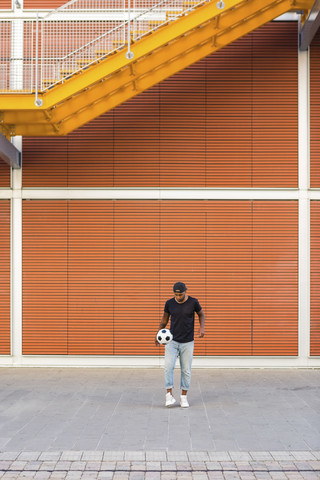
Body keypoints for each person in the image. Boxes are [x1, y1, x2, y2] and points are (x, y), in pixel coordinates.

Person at [155, 281, 205, 408]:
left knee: (186, 370)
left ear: (185, 292)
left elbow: (201, 314)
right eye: (176, 295)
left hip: (188, 342)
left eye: (181, 294)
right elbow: (164, 320)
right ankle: (169, 396)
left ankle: (183, 397)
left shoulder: (193, 302)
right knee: (168, 367)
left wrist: (201, 328)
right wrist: (157, 335)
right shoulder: (169, 303)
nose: (178, 297)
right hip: (172, 341)